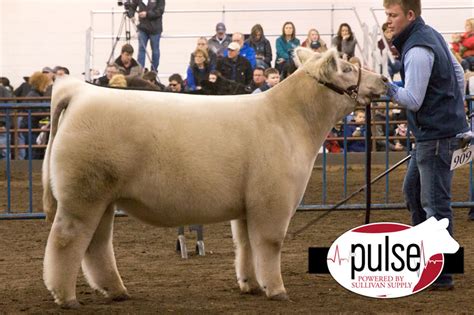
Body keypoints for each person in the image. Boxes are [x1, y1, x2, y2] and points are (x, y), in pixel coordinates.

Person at [384, 0, 469, 290]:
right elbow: (458, 75)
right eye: (387, 14)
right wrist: (455, 110)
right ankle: (425, 259)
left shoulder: (418, 49)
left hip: (434, 137)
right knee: (414, 192)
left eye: (393, 15)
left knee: (435, 204)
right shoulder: (431, 35)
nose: (389, 20)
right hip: (436, 133)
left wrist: (385, 86)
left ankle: (440, 274)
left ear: (410, 15)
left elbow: (413, 99)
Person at [127, 0, 165, 72]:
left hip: (155, 29)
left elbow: (160, 11)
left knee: (155, 50)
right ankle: (140, 71)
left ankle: (153, 71)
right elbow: (132, 6)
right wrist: (131, 15)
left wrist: (147, 14)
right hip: (142, 28)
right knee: (141, 49)